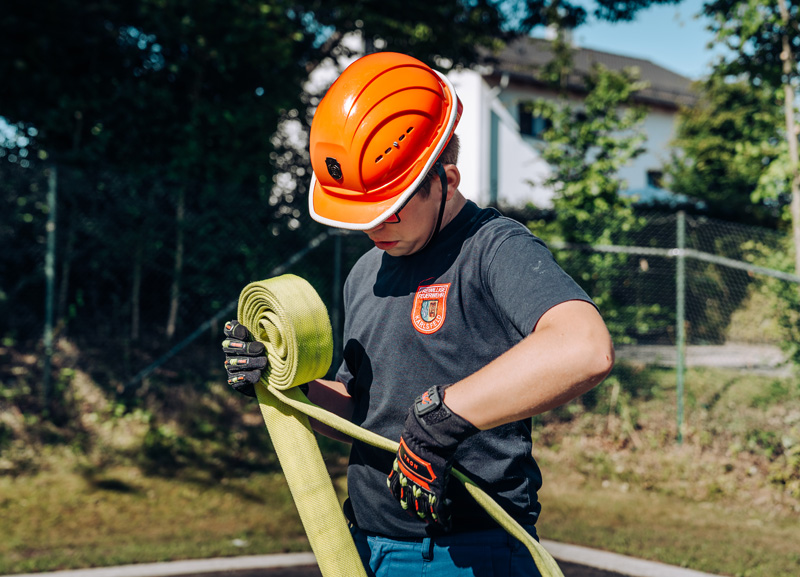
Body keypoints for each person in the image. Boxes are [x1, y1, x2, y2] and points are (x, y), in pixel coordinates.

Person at [222, 51, 614, 577]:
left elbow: (584, 348)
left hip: (468, 554)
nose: (374, 228)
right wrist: (281, 384)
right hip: (366, 546)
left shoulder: (494, 249)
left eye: (390, 208)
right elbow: (360, 413)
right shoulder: (366, 271)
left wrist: (446, 418)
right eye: (364, 213)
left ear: (445, 179)